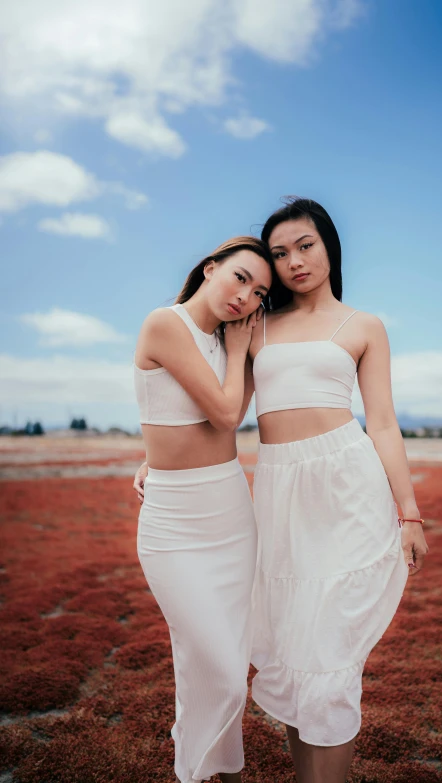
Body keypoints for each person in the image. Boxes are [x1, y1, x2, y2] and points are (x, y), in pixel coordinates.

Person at [247, 197, 428, 783]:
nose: (294, 261)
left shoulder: (362, 326)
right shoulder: (255, 325)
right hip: (278, 491)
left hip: (346, 487)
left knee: (330, 652)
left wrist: (410, 512)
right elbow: (221, 410)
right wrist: (158, 458)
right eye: (279, 253)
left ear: (329, 245)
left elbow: (381, 422)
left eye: (305, 246)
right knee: (297, 652)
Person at [133, 236, 273, 783]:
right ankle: (195, 767)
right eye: (240, 278)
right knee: (216, 664)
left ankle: (221, 771)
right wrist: (240, 354)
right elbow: (222, 413)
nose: (247, 297)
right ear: (211, 269)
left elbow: (218, 414)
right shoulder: (165, 324)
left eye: (260, 292)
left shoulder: (232, 340)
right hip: (173, 521)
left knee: (219, 666)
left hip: (230, 510)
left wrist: (243, 354)